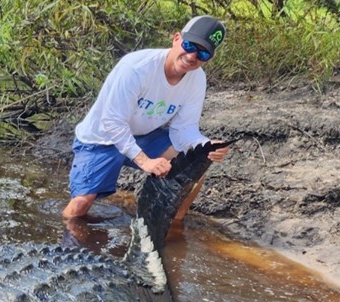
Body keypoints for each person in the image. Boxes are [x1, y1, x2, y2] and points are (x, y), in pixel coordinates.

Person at [61, 15, 233, 220]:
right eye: (189, 45)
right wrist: (145, 162)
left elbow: (184, 129)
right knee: (79, 206)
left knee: (197, 163)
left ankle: (173, 224)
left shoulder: (197, 79)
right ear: (176, 38)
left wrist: (205, 145)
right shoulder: (136, 68)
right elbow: (112, 122)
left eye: (203, 54)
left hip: (144, 136)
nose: (192, 56)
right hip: (101, 138)